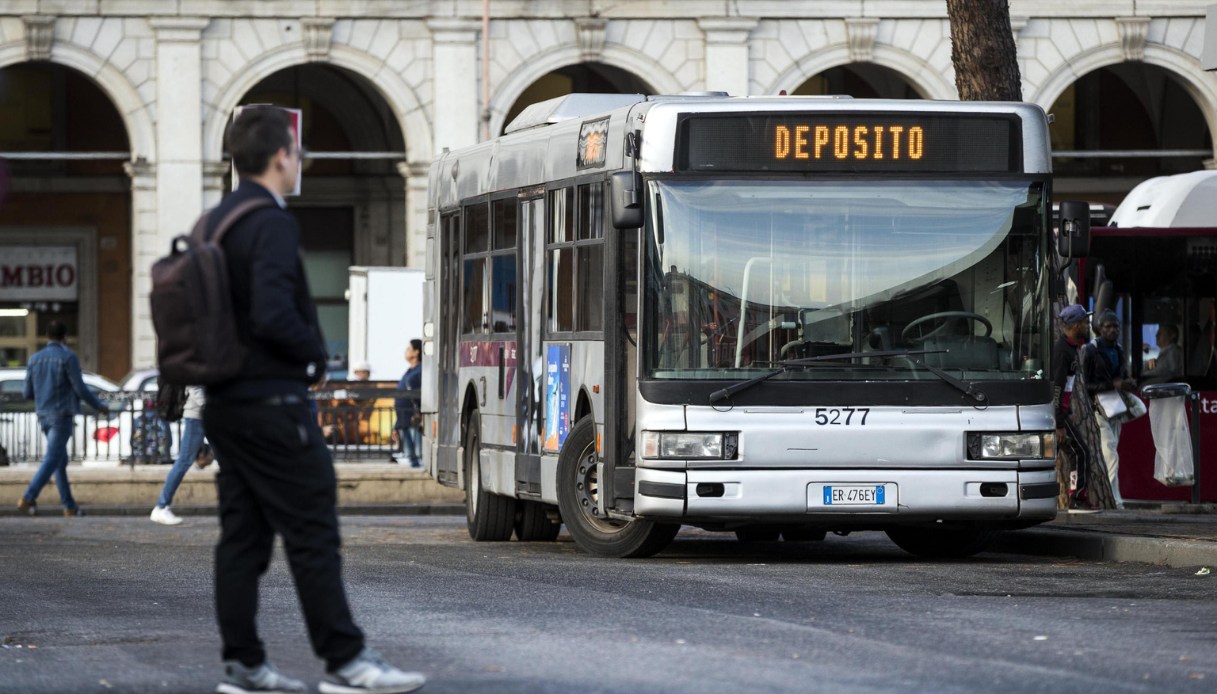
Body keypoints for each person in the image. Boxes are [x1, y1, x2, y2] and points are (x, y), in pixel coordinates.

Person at [203, 106, 424, 694]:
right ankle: (347, 662)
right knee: (313, 530)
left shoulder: (213, 222)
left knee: (243, 537)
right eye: (297, 154)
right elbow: (275, 312)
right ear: (281, 157)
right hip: (273, 402)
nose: (299, 163)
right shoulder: (268, 222)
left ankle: (243, 666)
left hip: (223, 403)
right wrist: (313, 359)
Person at [16, 320, 109, 517]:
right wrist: (99, 406)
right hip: (61, 415)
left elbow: (26, 393)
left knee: (59, 460)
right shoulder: (68, 357)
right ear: (64, 337)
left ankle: (69, 506)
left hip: (43, 414)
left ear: (47, 336)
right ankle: (28, 497)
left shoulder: (34, 359)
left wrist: (43, 396)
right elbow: (80, 388)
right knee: (52, 458)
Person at [1082, 309, 1135, 510]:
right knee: (1111, 454)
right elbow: (1084, 385)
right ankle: (1113, 499)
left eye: (1115, 326)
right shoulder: (1090, 350)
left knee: (1111, 453)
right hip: (1097, 409)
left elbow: (1122, 376)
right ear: (1099, 329)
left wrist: (1127, 382)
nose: (1112, 330)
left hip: (1114, 408)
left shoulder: (1119, 350)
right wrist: (1114, 385)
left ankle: (1114, 496)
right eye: (1108, 327)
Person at [1051, 304, 1093, 510]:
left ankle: (1075, 496)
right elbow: (1057, 388)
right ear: (1076, 325)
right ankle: (1077, 498)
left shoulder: (1071, 347)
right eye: (1085, 322)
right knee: (1080, 452)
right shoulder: (1062, 351)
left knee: (1076, 452)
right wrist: (1059, 422)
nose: (1088, 325)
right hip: (1057, 415)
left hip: (1062, 413)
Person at [150, 386, 206, 526]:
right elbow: (194, 385)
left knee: (229, 460)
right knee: (184, 461)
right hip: (198, 416)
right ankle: (161, 507)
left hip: (208, 414)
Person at [393, 340, 422, 468]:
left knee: (418, 452)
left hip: (413, 418)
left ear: (416, 352)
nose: (406, 352)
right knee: (411, 454)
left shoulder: (421, 370)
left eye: (408, 349)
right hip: (403, 418)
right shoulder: (409, 371)